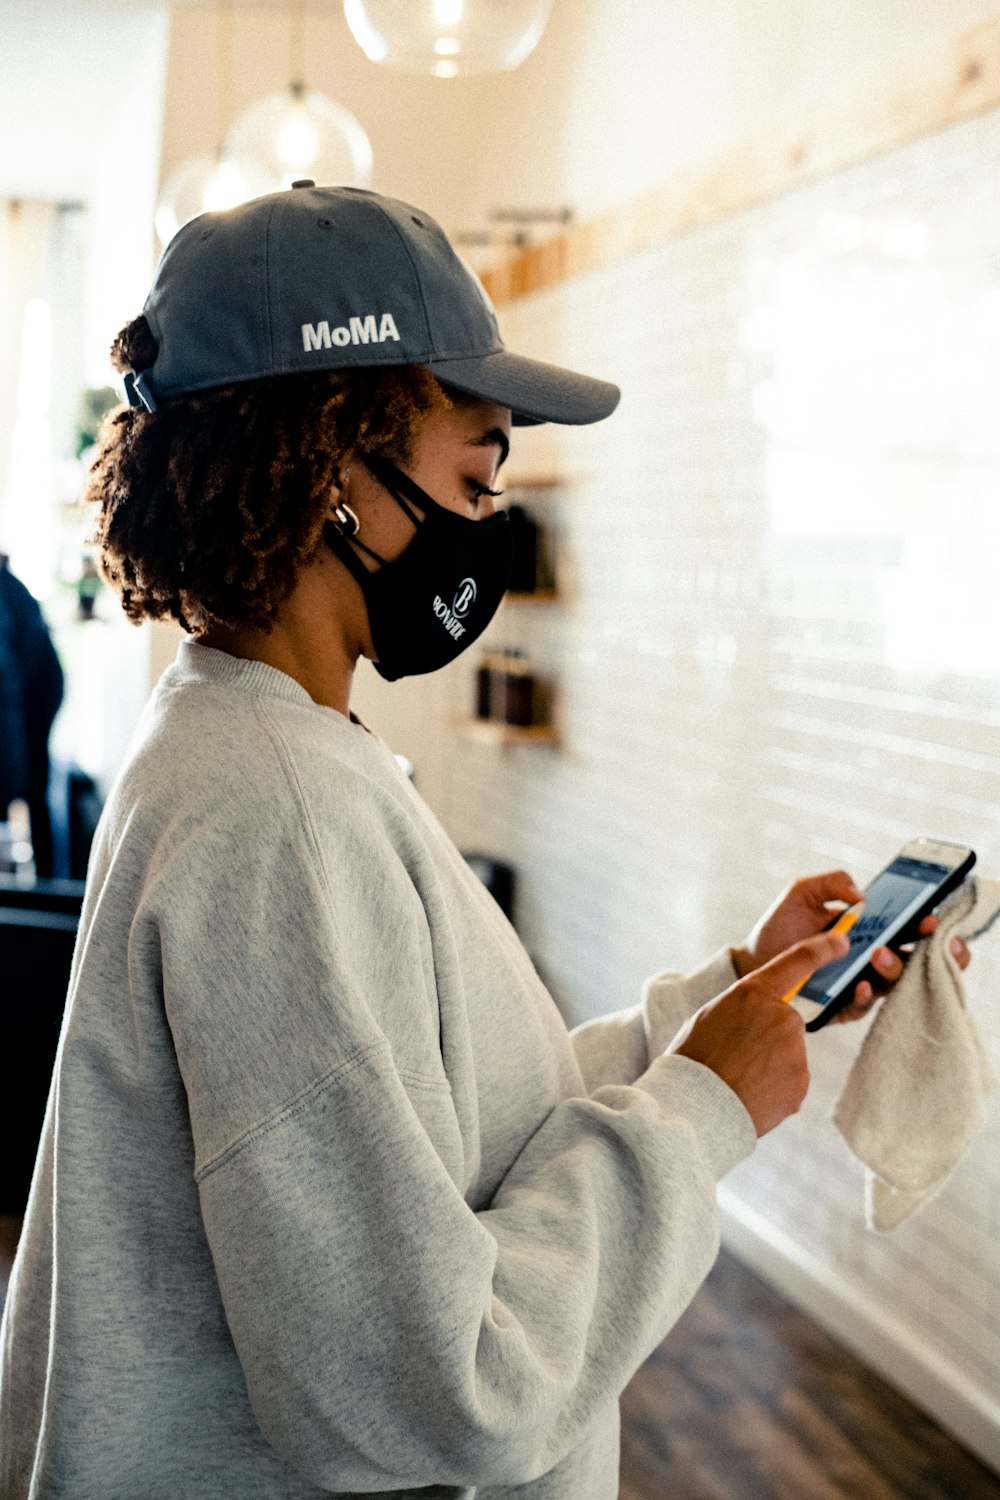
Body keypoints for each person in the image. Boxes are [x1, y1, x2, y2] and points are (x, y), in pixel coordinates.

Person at [0, 183, 969, 1499]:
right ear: (328, 460)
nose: (485, 523)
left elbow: (444, 1132)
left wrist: (717, 1005)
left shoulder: (257, 747)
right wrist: (697, 1113)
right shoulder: (274, 818)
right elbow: (436, 1387)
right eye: (474, 471)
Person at [0, 553, 64, 877]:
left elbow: (7, 679)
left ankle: (48, 880)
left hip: (35, 697)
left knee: (29, 784)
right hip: (25, 694)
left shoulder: (8, 593)